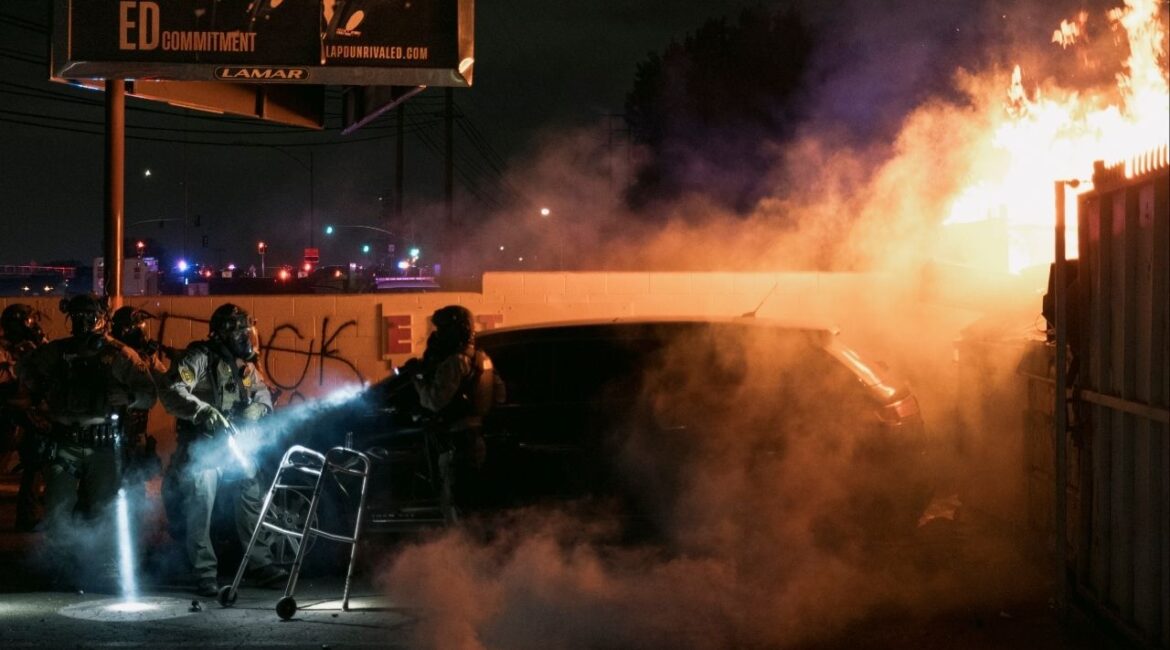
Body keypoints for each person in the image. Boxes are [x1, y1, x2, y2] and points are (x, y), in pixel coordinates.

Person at [19, 294, 157, 584]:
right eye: (77, 315)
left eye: (89, 315)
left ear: (102, 318)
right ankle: (60, 565)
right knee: (57, 510)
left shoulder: (119, 354)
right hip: (64, 441)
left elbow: (148, 394)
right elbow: (26, 373)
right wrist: (41, 390)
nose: (83, 321)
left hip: (103, 444)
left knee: (106, 509)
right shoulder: (56, 352)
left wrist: (129, 397)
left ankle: (107, 565)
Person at [159, 302, 287, 597]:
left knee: (252, 495)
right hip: (203, 448)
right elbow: (170, 389)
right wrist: (203, 412)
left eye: (247, 330)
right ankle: (204, 572)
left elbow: (263, 392)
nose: (246, 337)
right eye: (241, 331)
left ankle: (259, 564)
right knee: (200, 505)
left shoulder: (245, 365)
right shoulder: (199, 357)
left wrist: (259, 407)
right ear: (224, 332)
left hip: (235, 447)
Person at [406, 305, 500, 522]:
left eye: (442, 329)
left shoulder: (456, 362)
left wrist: (417, 377)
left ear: (455, 329)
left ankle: (464, 553)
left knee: (455, 510)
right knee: (470, 507)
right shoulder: (481, 358)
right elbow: (499, 394)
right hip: (476, 440)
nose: (437, 334)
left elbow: (432, 401)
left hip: (456, 444)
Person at [0, 304, 48, 531]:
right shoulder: (4, 348)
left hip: (27, 413)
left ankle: (27, 517)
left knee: (34, 465)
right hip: (6, 413)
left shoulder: (34, 346)